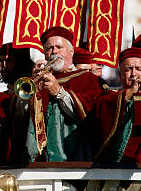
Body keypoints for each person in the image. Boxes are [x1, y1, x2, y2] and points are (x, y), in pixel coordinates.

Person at [25, 26, 101, 162]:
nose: (54, 52)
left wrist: (59, 93)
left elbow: (92, 117)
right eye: (49, 48)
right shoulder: (39, 78)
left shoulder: (87, 79)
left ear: (71, 51)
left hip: (73, 157)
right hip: (40, 161)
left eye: (59, 47)